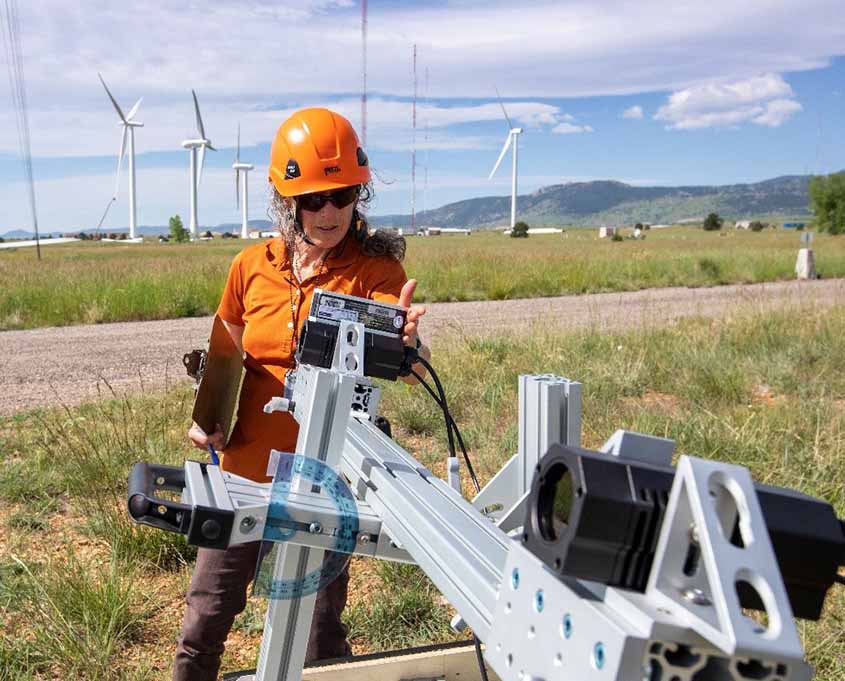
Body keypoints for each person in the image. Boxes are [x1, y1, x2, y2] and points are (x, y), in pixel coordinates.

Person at [173, 107, 429, 681]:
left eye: (343, 196)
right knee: (203, 624)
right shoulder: (249, 268)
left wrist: (410, 344)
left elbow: (408, 367)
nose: (330, 212)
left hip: (323, 485)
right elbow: (225, 356)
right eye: (314, 199)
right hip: (241, 474)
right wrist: (207, 419)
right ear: (284, 199)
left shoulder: (375, 272)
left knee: (319, 641)